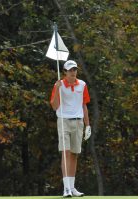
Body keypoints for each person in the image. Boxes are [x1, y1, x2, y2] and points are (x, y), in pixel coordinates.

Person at [50, 60, 91, 197]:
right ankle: (66, 188)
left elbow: (84, 105)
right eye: (70, 70)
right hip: (63, 121)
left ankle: (72, 188)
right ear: (65, 72)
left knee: (74, 154)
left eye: (75, 70)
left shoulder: (82, 85)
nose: (73, 72)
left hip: (78, 122)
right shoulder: (59, 85)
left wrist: (88, 125)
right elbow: (55, 106)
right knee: (66, 153)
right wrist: (57, 89)